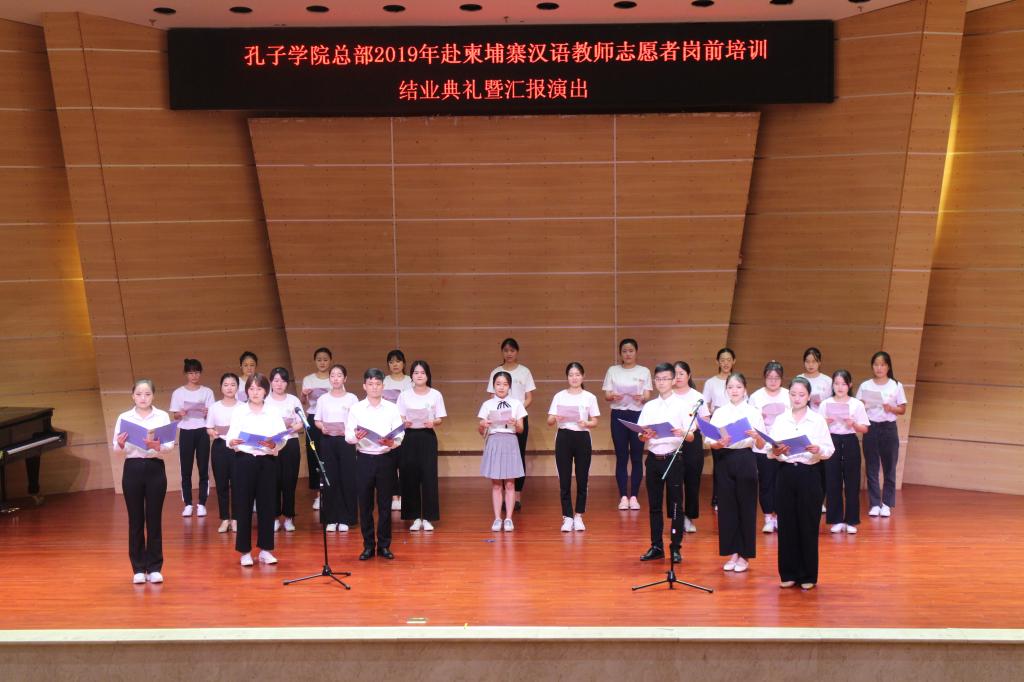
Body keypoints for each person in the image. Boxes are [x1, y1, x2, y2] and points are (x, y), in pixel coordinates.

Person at [768, 377, 835, 590]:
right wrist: (776, 450)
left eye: (801, 395)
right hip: (786, 473)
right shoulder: (781, 419)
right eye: (793, 394)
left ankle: (807, 575)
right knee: (786, 524)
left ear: (808, 397)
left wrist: (818, 449)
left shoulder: (817, 420)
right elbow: (770, 450)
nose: (797, 398)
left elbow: (829, 450)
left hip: (809, 474)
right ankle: (788, 573)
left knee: (807, 524)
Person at [113, 379, 174, 584]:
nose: (143, 398)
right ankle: (138, 568)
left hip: (155, 468)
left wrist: (157, 446)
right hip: (132, 468)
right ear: (133, 396)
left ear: (153, 396)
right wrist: (120, 444)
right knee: (136, 520)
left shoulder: (162, 415)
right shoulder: (124, 417)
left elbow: (169, 446)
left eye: (147, 394)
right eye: (139, 394)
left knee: (154, 519)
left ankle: (155, 567)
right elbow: (117, 449)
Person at [704, 372, 766, 573]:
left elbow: (762, 444)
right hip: (724, 459)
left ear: (745, 389)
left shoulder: (753, 412)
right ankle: (732, 552)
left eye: (738, 387)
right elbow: (710, 441)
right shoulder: (720, 412)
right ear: (726, 390)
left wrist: (756, 436)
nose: (734, 390)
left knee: (746, 507)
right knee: (727, 508)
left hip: (745, 458)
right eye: (730, 387)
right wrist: (719, 443)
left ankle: (745, 554)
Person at [226, 373, 286, 566]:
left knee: (267, 506)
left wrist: (274, 444)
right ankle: (244, 551)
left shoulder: (273, 411)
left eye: (259, 388)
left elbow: (282, 438)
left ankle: (266, 550)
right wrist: (232, 442)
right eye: (251, 388)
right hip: (244, 461)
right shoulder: (239, 411)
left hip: (267, 462)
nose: (255, 392)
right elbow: (230, 436)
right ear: (247, 391)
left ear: (265, 391)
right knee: (243, 505)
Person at [346, 368, 405, 560]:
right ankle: (368, 546)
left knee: (385, 505)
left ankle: (384, 546)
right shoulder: (356, 409)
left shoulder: (391, 408)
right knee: (365, 505)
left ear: (383, 386)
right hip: (364, 458)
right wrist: (356, 436)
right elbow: (348, 437)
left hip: (386, 459)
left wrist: (391, 442)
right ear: (364, 386)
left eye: (378, 384)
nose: (374, 387)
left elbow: (400, 435)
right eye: (370, 384)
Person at [636, 363, 690, 563]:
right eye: (658, 379)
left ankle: (675, 547)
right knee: (654, 505)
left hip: (673, 458)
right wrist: (644, 435)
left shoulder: (682, 405)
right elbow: (641, 434)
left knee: (676, 505)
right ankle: (656, 546)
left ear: (673, 380)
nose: (661, 382)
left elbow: (691, 436)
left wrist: (682, 432)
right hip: (653, 459)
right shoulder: (649, 406)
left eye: (665, 378)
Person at [546, 362, 599, 533]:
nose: (574, 378)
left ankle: (579, 515)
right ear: (567, 377)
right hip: (564, 437)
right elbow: (549, 421)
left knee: (582, 479)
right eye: (571, 375)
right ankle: (567, 516)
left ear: (583, 376)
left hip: (582, 437)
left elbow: (595, 421)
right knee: (564, 479)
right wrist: (556, 417)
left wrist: (586, 423)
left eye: (577, 374)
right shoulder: (559, 396)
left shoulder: (589, 397)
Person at [397, 360, 447, 531]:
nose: (419, 375)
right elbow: (399, 416)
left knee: (428, 477)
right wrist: (404, 422)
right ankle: (415, 517)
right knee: (409, 476)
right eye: (416, 372)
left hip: (427, 437)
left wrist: (433, 422)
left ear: (428, 375)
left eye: (422, 372)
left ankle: (428, 518)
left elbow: (440, 418)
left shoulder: (435, 394)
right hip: (409, 437)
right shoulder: (404, 395)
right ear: (411, 375)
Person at [856, 351, 907, 518]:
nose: (879, 368)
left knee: (889, 467)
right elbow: (857, 406)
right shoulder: (865, 385)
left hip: (889, 428)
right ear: (872, 366)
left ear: (888, 367)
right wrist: (863, 405)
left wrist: (891, 408)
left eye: (882, 365)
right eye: (876, 364)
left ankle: (886, 503)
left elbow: (902, 409)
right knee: (872, 467)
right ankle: (874, 503)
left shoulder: (896, 385)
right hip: (871, 427)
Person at [602, 338, 652, 511]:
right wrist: (612, 396)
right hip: (618, 415)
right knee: (621, 456)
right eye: (624, 351)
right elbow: (606, 395)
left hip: (638, 416)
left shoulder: (644, 371)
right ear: (620, 353)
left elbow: (647, 395)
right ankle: (623, 496)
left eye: (631, 351)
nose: (628, 354)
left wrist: (642, 397)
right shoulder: (613, 370)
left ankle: (634, 497)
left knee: (637, 457)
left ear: (636, 352)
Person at [486, 338, 535, 511]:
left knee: (518, 455)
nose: (509, 353)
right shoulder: (496, 372)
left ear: (517, 352)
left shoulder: (524, 371)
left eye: (512, 350)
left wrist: (517, 411)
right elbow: (491, 398)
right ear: (502, 352)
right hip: (499, 420)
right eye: (506, 350)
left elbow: (529, 397)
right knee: (499, 456)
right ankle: (501, 494)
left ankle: (516, 495)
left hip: (518, 418)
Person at [821, 370, 869, 534]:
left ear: (850, 385)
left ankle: (851, 520)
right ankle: (835, 520)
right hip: (832, 440)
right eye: (836, 384)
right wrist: (825, 422)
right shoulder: (825, 403)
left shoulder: (857, 404)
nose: (839, 387)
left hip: (850, 441)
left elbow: (865, 428)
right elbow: (817, 426)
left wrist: (853, 424)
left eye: (843, 384)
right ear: (832, 385)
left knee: (852, 482)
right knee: (832, 481)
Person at [478, 371, 527, 532]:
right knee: (496, 484)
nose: (501, 387)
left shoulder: (516, 403)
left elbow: (521, 429)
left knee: (510, 483)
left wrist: (515, 423)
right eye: (498, 384)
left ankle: (509, 519)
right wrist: (483, 425)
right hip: (494, 441)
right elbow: (480, 430)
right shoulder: (487, 404)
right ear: (493, 386)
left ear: (509, 386)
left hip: (510, 441)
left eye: (505, 384)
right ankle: (497, 518)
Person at [313, 363, 359, 533]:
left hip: (346, 442)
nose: (335, 378)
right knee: (329, 478)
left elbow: (357, 421)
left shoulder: (352, 398)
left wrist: (348, 429)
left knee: (347, 478)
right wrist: (322, 427)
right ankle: (331, 518)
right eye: (332, 375)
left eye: (339, 375)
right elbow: (317, 420)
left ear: (345, 378)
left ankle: (346, 518)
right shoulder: (323, 399)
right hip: (328, 440)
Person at [748, 360, 790, 534]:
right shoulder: (756, 396)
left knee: (782, 483)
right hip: (763, 445)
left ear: (781, 378)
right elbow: (750, 421)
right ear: (764, 378)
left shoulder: (788, 394)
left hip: (783, 445)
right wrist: (760, 417)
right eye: (769, 377)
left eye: (776, 378)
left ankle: (779, 517)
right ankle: (767, 517)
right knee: (766, 482)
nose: (773, 381)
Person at [169, 358, 214, 518]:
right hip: (186, 432)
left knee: (203, 468)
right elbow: (175, 416)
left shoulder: (207, 392)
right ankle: (188, 504)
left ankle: (202, 503)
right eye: (190, 373)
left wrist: (207, 412)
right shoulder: (178, 393)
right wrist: (180, 413)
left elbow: (212, 415)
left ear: (200, 373)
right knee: (186, 469)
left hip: (202, 431)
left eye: (196, 372)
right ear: (186, 374)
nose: (194, 376)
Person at [672, 361, 710, 533]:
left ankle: (689, 517)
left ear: (689, 375)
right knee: (674, 482)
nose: (678, 377)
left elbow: (706, 421)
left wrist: (694, 426)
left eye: (681, 373)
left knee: (692, 480)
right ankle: (676, 517)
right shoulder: (669, 395)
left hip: (692, 440)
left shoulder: (697, 396)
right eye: (675, 374)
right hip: (673, 440)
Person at [265, 367, 304, 532]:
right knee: (272, 482)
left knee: (289, 481)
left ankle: (289, 517)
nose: (279, 384)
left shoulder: (293, 400)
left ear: (287, 383)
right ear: (271, 382)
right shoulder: (265, 400)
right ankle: (274, 517)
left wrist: (291, 428)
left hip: (290, 443)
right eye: (275, 380)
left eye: (282, 381)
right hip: (272, 444)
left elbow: (302, 422)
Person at [702, 347, 740, 511]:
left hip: (735, 426)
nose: (725, 363)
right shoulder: (711, 382)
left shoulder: (737, 380)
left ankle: (734, 496)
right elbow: (704, 406)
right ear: (717, 362)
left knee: (735, 462)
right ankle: (717, 497)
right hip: (718, 426)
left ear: (734, 361)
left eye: (729, 360)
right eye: (722, 360)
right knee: (719, 463)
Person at [206, 373, 242, 533]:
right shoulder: (214, 407)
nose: (229, 388)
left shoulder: (243, 406)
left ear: (237, 387)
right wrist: (212, 432)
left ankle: (236, 519)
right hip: (220, 447)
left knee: (238, 485)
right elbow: (209, 427)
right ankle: (224, 519)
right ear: (221, 387)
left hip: (238, 447)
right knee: (221, 485)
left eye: (233, 385)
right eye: (226, 385)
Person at [301, 347, 333, 512]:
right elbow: (303, 402)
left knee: (329, 454)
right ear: (315, 361)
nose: (322, 362)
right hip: (313, 418)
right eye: (319, 359)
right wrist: (304, 394)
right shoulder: (308, 379)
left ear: (330, 361)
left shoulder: (334, 378)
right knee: (314, 455)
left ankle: (330, 491)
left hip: (330, 419)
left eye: (325, 359)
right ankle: (318, 494)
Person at [384, 349, 412, 512]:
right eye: (391, 362)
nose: (395, 364)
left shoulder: (410, 381)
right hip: (389, 428)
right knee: (391, 463)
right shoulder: (384, 381)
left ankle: (405, 496)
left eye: (398, 361)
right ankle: (394, 497)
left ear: (404, 363)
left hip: (407, 427)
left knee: (405, 463)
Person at [798, 347, 833, 412]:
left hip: (821, 415)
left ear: (819, 362)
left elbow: (832, 401)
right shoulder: (799, 379)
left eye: (814, 361)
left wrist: (822, 404)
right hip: (802, 414)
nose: (810, 365)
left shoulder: (828, 380)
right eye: (807, 361)